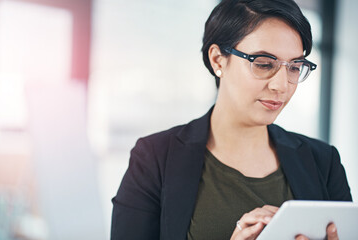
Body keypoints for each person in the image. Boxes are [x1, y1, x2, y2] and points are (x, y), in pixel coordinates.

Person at [111, 0, 352, 239]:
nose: (281, 85)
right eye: (264, 64)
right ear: (218, 60)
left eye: (294, 67)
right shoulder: (154, 158)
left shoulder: (323, 162)